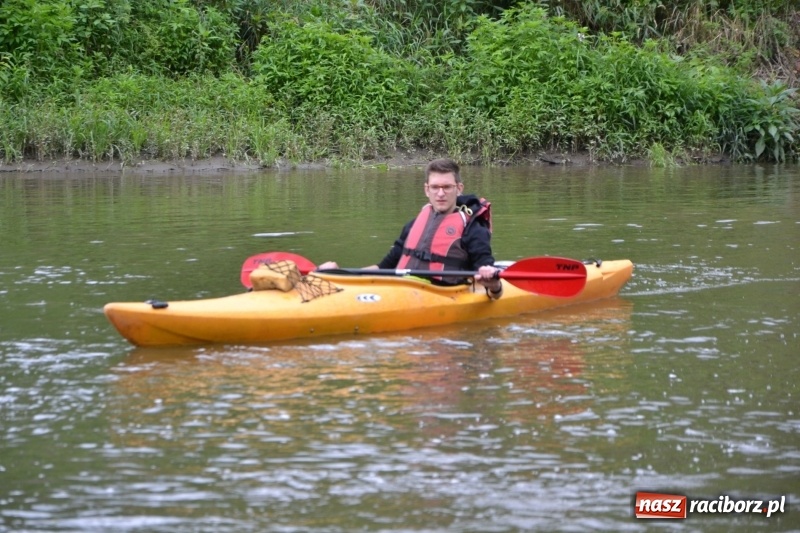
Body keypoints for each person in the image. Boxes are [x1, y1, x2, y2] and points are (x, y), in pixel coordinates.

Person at [318, 158, 503, 299]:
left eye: (447, 187)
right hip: (402, 289)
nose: (440, 194)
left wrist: (494, 284)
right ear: (426, 190)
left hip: (442, 294)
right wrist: (340, 275)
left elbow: (490, 285)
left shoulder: (473, 229)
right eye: (435, 187)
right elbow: (384, 267)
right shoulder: (414, 225)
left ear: (459, 188)